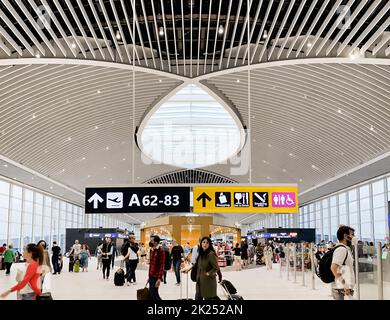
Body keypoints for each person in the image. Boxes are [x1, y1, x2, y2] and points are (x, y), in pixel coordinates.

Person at [331, 225, 356, 300]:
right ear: (345, 236)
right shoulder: (341, 249)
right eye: (352, 235)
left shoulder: (345, 249)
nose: (354, 237)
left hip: (344, 288)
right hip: (342, 289)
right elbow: (334, 268)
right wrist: (345, 285)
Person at [148, 235, 165, 300]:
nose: (150, 241)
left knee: (154, 293)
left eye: (152, 240)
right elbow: (151, 264)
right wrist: (149, 276)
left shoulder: (161, 251)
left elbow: (162, 265)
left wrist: (159, 279)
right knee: (151, 293)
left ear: (156, 242)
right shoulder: (152, 250)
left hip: (156, 276)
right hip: (151, 275)